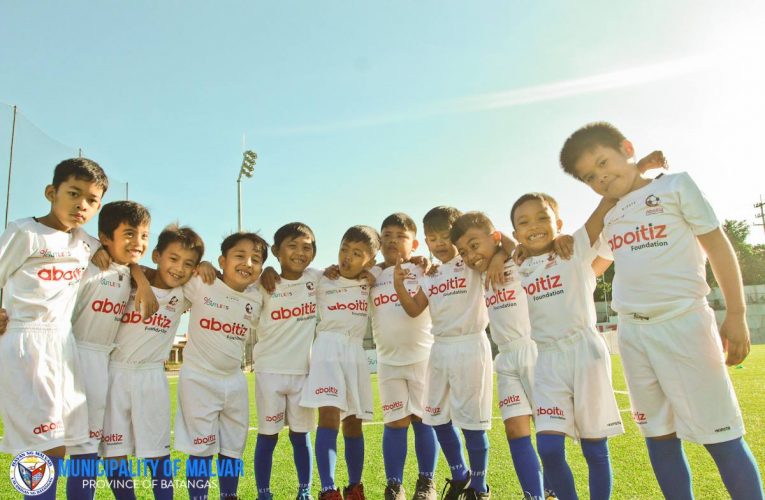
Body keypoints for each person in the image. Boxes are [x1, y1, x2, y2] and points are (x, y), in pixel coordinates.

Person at [560, 121, 764, 499]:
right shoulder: (613, 215)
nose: (602, 177)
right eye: (591, 176)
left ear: (627, 148)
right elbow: (590, 269)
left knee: (722, 436)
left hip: (685, 324)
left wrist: (735, 314)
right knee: (659, 437)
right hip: (634, 335)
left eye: (605, 162)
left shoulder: (674, 186)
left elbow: (717, 246)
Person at [0, 158, 108, 499]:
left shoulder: (86, 244)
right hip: (25, 342)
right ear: (52, 192)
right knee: (41, 445)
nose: (82, 205)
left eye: (91, 200)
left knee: (73, 442)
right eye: (73, 194)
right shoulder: (24, 232)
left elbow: (125, 258)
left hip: (64, 345)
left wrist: (139, 277)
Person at [511, 192, 624, 500]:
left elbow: (604, 206)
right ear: (515, 234)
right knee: (548, 448)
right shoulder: (518, 263)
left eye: (543, 218)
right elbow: (493, 246)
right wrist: (506, 252)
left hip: (585, 353)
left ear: (558, 223)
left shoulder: (573, 249)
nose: (534, 226)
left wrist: (639, 169)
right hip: (546, 358)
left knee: (595, 449)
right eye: (524, 222)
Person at [395, 206, 503, 500]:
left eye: (445, 236)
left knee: (472, 422)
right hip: (439, 349)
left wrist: (501, 255)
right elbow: (415, 309)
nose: (439, 243)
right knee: (435, 417)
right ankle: (460, 476)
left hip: (470, 345)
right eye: (432, 238)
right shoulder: (430, 274)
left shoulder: (473, 263)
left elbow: (501, 246)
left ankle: (479, 488)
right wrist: (397, 285)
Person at [101, 224, 205, 500]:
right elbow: (127, 262)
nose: (179, 269)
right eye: (173, 259)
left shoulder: (184, 295)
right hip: (114, 374)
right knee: (114, 453)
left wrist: (206, 265)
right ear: (157, 255)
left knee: (157, 455)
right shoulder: (128, 281)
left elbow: (214, 280)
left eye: (188, 264)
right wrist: (141, 278)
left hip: (152, 379)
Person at [450, 211, 544, 499]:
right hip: (504, 358)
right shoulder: (478, 275)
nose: (469, 256)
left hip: (535, 352)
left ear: (493, 238)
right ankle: (535, 495)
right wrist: (489, 255)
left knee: (549, 434)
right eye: (463, 252)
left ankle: (553, 489)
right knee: (516, 431)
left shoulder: (518, 260)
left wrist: (500, 253)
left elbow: (513, 242)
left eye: (474, 245)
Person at [66, 200, 154, 499]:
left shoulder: (129, 272)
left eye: (144, 235)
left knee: (105, 446)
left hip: (105, 363)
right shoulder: (87, 264)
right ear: (105, 237)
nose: (138, 242)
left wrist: (138, 274)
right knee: (75, 447)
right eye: (129, 233)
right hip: (73, 357)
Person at [175, 231, 268, 500]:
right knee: (201, 448)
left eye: (256, 259)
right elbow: (170, 271)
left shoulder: (256, 297)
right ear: (222, 260)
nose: (248, 263)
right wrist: (198, 266)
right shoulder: (201, 283)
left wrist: (271, 272)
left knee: (232, 448)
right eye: (239, 256)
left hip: (234, 381)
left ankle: (230, 495)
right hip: (198, 380)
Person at [300, 225, 380, 500]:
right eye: (344, 249)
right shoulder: (323, 278)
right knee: (330, 417)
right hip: (327, 350)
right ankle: (328, 489)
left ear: (371, 260)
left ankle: (355, 486)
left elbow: (399, 266)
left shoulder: (373, 279)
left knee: (354, 422)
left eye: (357, 253)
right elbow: (292, 272)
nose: (347, 257)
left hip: (355, 352)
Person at [367, 213, 439, 500]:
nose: (392, 240)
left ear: (415, 243)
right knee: (395, 422)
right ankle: (394, 485)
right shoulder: (371, 275)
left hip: (423, 359)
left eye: (400, 235)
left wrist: (425, 263)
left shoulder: (424, 270)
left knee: (424, 421)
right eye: (386, 235)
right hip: (388, 362)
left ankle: (426, 482)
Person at [253, 222, 320, 500]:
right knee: (268, 436)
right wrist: (265, 269)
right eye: (292, 246)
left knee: (301, 435)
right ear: (277, 251)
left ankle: (304, 489)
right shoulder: (262, 284)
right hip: (269, 372)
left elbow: (350, 272)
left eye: (307, 247)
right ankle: (264, 493)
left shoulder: (317, 279)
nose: (300, 252)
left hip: (303, 373)